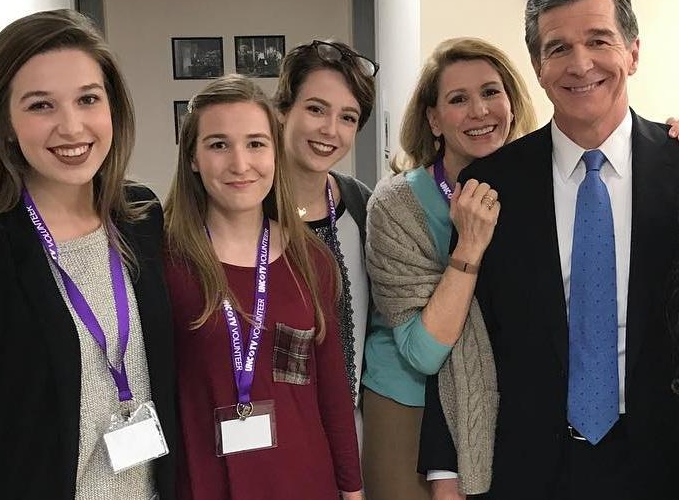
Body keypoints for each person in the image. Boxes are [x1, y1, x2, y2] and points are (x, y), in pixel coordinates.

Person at [419, 0, 679, 499]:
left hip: (668, 465)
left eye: (599, 41)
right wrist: (444, 469)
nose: (581, 64)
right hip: (530, 467)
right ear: (537, 66)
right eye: (559, 48)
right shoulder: (492, 184)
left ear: (634, 53)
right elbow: (470, 339)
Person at [0, 9, 180, 499]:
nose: (71, 127)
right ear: (4, 122)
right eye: (40, 106)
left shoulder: (140, 216)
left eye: (88, 99)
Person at [163, 74, 363, 499]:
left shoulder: (312, 260)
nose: (240, 164)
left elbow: (332, 391)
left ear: (275, 152)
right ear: (193, 158)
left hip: (305, 480)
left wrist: (353, 489)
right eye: (219, 144)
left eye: (256, 143)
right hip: (207, 482)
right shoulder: (166, 262)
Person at [362, 37, 539, 500]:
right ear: (434, 119)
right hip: (411, 405)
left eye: (491, 92)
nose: (479, 111)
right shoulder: (398, 204)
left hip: (505, 404)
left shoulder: (539, 190)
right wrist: (469, 247)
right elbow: (423, 351)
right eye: (458, 99)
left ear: (512, 104)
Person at [273, 40, 378, 436]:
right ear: (283, 110)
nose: (330, 130)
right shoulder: (241, 209)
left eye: (348, 118)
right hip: (273, 432)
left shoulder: (363, 206)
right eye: (316, 109)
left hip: (351, 431)